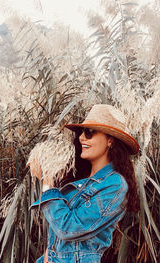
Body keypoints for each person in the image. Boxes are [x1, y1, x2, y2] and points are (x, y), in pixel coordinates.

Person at [29, 104, 140, 263]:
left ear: (110, 141)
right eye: (81, 133)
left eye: (89, 133)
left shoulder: (115, 185)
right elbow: (59, 241)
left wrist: (48, 184)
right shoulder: (81, 181)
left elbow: (68, 228)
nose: (81, 138)